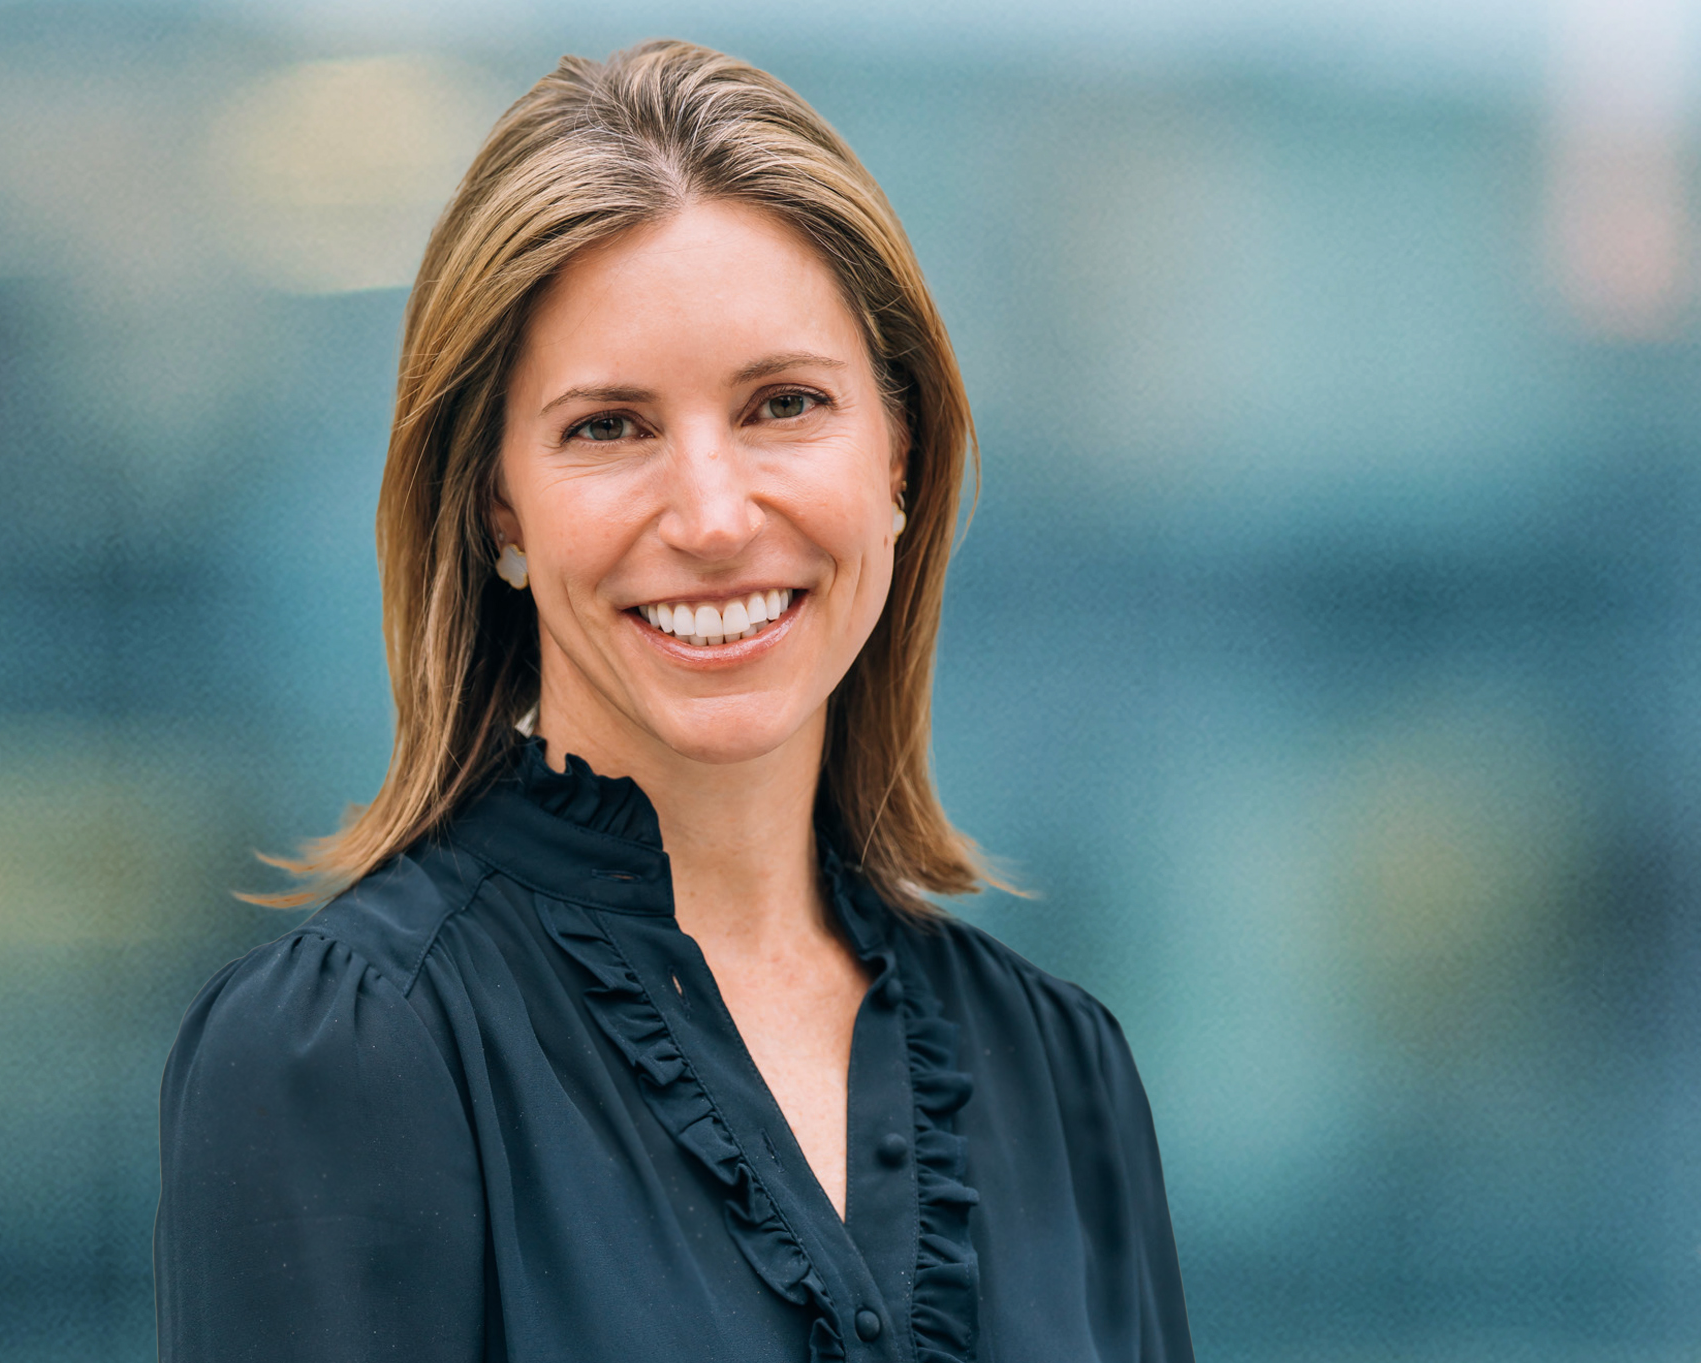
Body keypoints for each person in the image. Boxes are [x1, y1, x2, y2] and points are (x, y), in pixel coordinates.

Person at [154, 39, 1193, 1363]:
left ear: (901, 460)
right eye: (610, 427)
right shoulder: (355, 1056)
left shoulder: (1063, 1076)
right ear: (497, 508)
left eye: (783, 405)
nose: (710, 517)